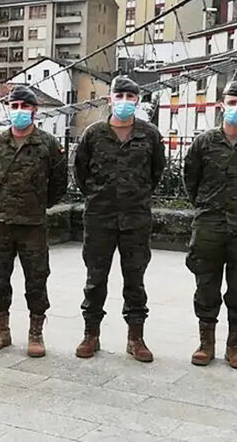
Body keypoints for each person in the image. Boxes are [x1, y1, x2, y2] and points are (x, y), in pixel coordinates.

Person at [73, 76, 165, 363]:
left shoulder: (149, 135)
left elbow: (156, 173)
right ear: (110, 99)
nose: (124, 101)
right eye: (119, 96)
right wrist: (99, 197)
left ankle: (135, 338)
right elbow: (80, 173)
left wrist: (134, 196)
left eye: (130, 96)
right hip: (100, 218)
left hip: (136, 218)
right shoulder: (93, 134)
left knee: (135, 279)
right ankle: (91, 335)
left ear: (137, 101)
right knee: (95, 278)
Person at [0, 86, 67, 357]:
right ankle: (1, 330)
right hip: (0, 223)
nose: (19, 112)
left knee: (36, 279)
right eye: (14, 106)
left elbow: (59, 182)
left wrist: (39, 204)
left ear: (34, 111)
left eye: (24, 107)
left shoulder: (48, 144)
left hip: (33, 224)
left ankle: (35, 333)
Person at [183, 80, 237, 369]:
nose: (236, 109)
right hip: (209, 225)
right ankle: (205, 342)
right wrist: (205, 207)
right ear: (221, 105)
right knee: (206, 285)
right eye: (232, 103)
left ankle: (235, 346)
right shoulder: (204, 142)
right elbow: (190, 180)